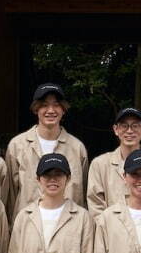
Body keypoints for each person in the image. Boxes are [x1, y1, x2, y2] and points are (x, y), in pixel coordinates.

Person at [6, 83, 88, 218]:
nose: (51, 110)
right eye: (44, 105)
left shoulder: (77, 148)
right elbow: (11, 195)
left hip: (68, 225)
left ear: (63, 109)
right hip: (28, 225)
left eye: (56, 105)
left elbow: (83, 193)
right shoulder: (17, 146)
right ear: (35, 109)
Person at [87, 107, 141, 215]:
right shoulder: (99, 165)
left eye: (135, 125)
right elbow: (96, 208)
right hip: (111, 230)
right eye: (124, 125)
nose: (129, 131)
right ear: (115, 129)